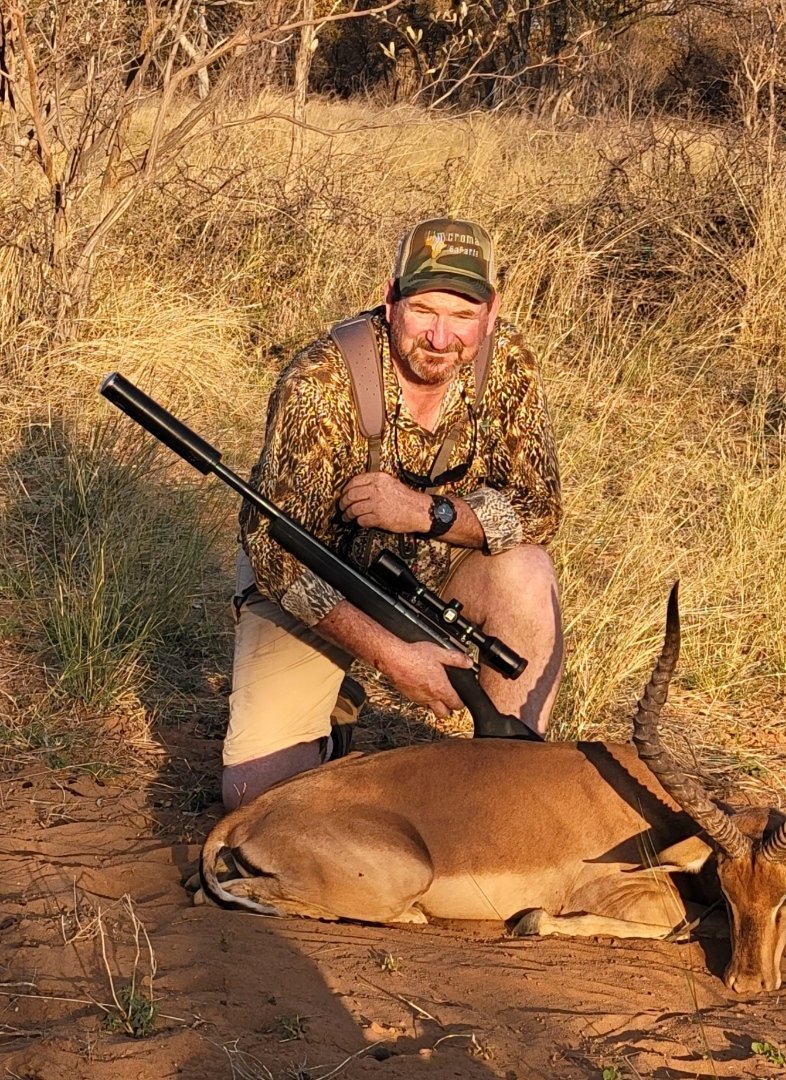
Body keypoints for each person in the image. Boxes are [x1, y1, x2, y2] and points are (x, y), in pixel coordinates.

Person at [222, 217, 563, 809]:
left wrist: (430, 513)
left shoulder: (508, 364)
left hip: (440, 580)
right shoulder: (319, 380)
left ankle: (510, 785)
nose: (440, 336)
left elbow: (541, 508)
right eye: (423, 310)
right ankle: (335, 715)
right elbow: (274, 554)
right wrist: (392, 656)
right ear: (389, 299)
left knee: (527, 570)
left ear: (491, 312)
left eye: (462, 315)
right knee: (255, 801)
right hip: (323, 588)